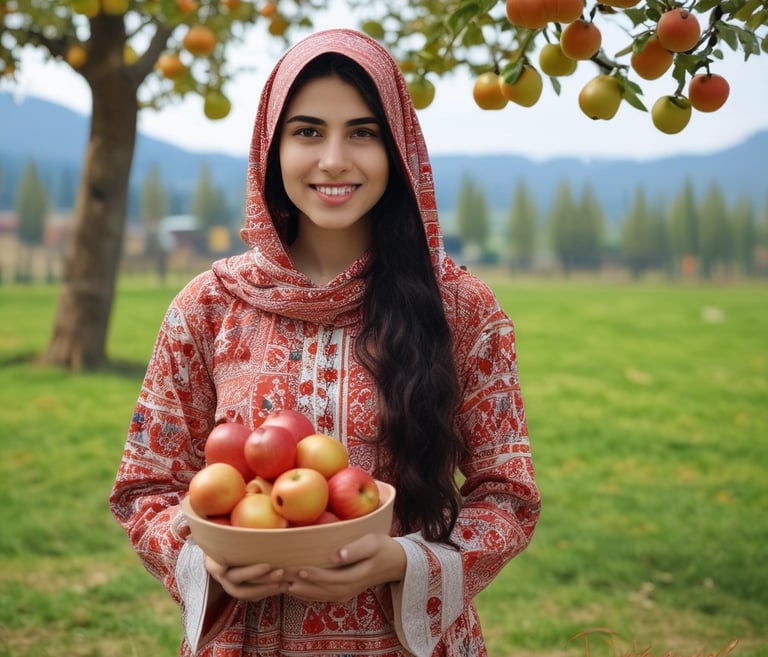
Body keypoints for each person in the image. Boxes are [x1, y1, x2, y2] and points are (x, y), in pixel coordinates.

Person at [110, 27, 540, 657]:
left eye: (362, 133)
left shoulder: (460, 308)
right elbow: (145, 487)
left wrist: (401, 560)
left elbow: (508, 494)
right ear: (270, 147)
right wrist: (207, 559)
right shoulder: (208, 307)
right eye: (308, 131)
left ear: (397, 148)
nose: (334, 158)